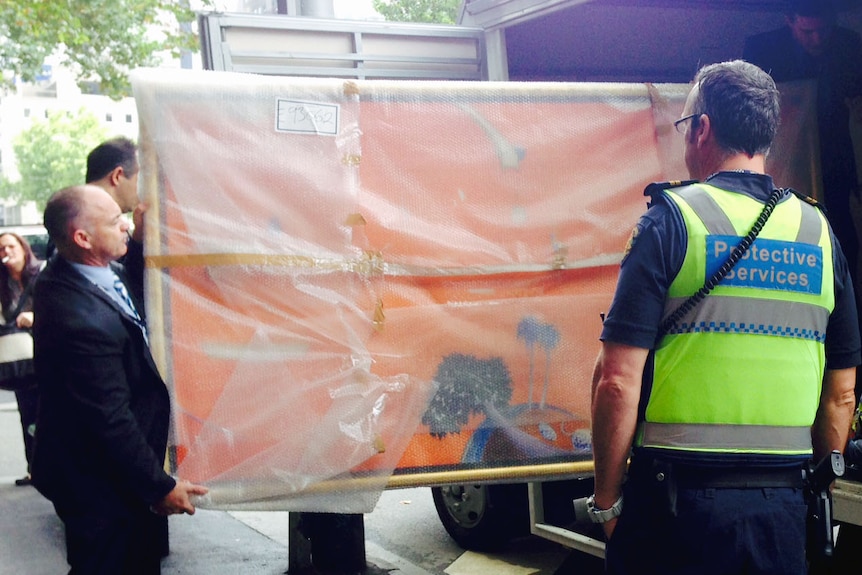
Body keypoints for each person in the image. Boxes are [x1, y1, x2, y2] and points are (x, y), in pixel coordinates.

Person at [590, 60, 860, 575]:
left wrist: (607, 501)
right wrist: (815, 492)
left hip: (674, 510)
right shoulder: (818, 231)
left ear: (702, 128)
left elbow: (617, 382)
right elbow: (841, 393)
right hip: (780, 511)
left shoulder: (671, 219)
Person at [30, 184, 208, 574]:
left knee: (137, 559)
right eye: (116, 221)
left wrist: (143, 242)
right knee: (109, 563)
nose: (126, 226)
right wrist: (160, 486)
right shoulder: (75, 317)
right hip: (96, 481)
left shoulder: (86, 270)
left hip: (113, 474)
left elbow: (127, 284)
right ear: (82, 237)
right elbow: (109, 420)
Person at [743, 0, 862, 364]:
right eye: (807, 31)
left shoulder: (850, 46)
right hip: (785, 159)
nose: (816, 39)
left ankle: (843, 335)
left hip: (835, 158)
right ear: (789, 21)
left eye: (822, 30)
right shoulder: (763, 49)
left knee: (842, 242)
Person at [0, 232, 42, 486]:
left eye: (10, 246)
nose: (6, 251)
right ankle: (34, 468)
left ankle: (60, 465)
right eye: (1, 248)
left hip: (47, 357)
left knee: (55, 413)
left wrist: (35, 318)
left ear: (24, 249)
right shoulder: (2, 284)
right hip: (19, 362)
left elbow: (61, 311)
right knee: (28, 416)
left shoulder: (42, 277)